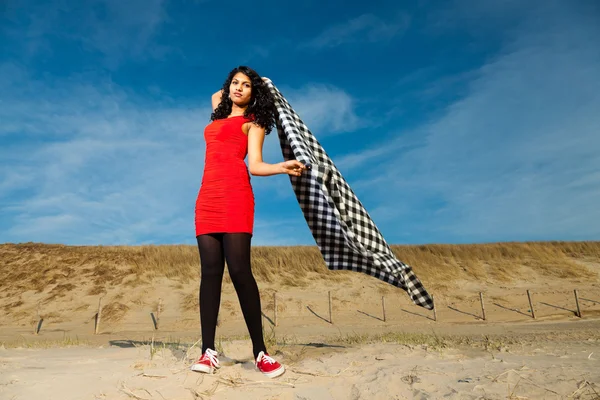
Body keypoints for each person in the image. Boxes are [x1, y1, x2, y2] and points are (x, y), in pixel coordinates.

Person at [190, 66, 306, 378]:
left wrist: (282, 167)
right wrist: (239, 82)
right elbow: (219, 93)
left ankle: (260, 352)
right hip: (207, 198)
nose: (239, 88)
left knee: (240, 271)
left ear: (255, 93)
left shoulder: (253, 123)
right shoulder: (218, 111)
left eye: (246, 85)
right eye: (235, 83)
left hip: (236, 196)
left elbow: (254, 166)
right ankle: (208, 352)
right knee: (210, 273)